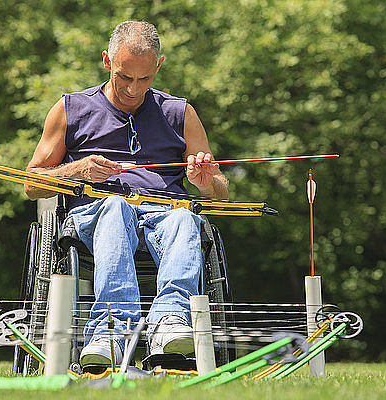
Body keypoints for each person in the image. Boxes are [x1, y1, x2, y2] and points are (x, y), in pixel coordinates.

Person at [25, 20, 229, 366]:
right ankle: (111, 330)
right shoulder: (70, 108)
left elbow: (219, 193)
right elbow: (32, 184)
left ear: (158, 66)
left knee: (184, 217)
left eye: (145, 79)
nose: (134, 90)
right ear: (107, 61)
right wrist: (77, 169)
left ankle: (169, 321)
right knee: (115, 208)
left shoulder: (180, 113)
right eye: (124, 77)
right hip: (96, 215)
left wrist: (204, 181)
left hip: (164, 215)